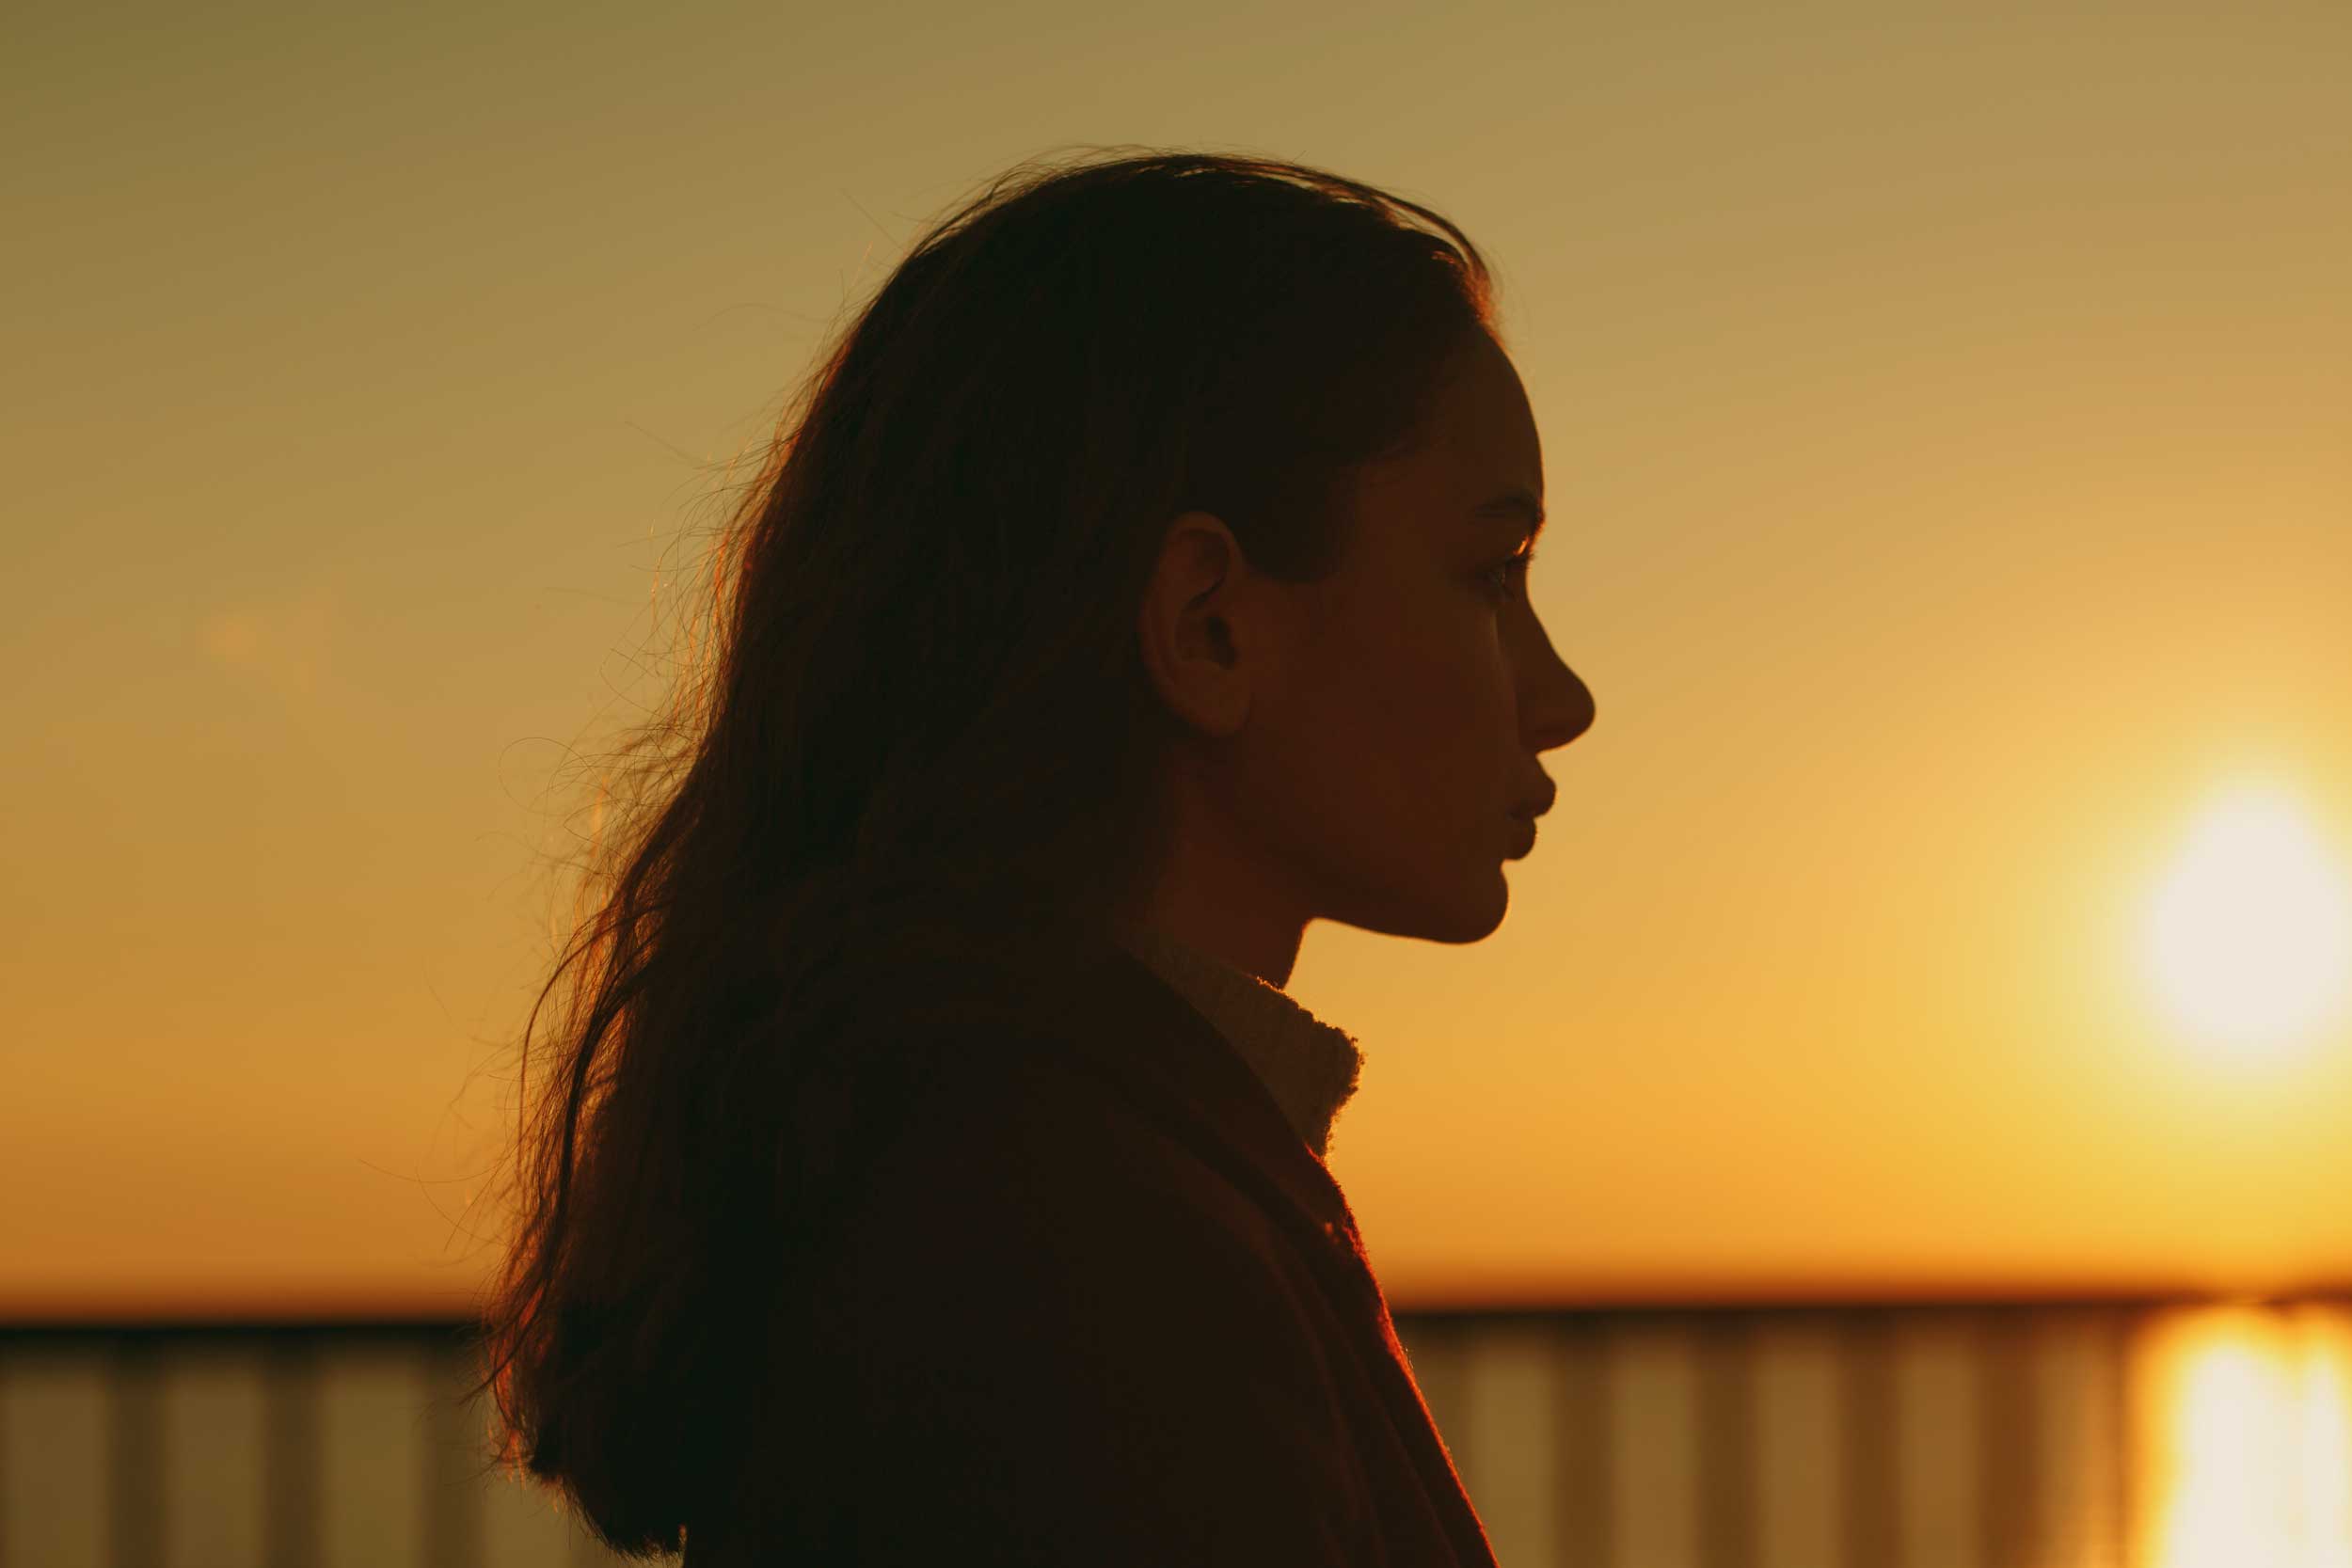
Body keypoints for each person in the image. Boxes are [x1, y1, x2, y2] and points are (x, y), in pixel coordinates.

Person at [470, 145, 1596, 1564]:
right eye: (1492, 574)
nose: (1561, 698)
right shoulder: (1084, 1258)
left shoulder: (1007, 1154)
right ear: (1209, 626)